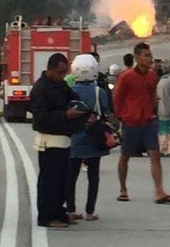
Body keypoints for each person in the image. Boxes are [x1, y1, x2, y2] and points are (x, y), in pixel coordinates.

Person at [113, 42, 170, 204]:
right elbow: (117, 97)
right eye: (146, 55)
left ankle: (159, 191)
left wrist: (153, 111)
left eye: (150, 55)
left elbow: (151, 96)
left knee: (155, 155)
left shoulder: (152, 76)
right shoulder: (126, 76)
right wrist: (120, 116)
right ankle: (123, 189)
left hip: (148, 121)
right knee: (125, 156)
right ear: (137, 57)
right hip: (130, 122)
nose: (150, 58)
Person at [31, 53, 87, 228]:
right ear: (50, 69)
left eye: (65, 72)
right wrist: (65, 115)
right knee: (50, 181)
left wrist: (84, 114)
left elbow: (73, 100)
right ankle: (46, 217)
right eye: (60, 72)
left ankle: (59, 212)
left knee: (62, 180)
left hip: (64, 139)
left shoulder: (61, 85)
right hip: (49, 141)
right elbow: (40, 118)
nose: (63, 76)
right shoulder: (40, 89)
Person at [66, 55, 110, 222]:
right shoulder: (100, 92)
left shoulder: (70, 91)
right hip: (94, 139)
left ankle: (70, 210)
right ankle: (90, 211)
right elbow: (106, 112)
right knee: (93, 176)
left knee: (71, 176)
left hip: (75, 139)